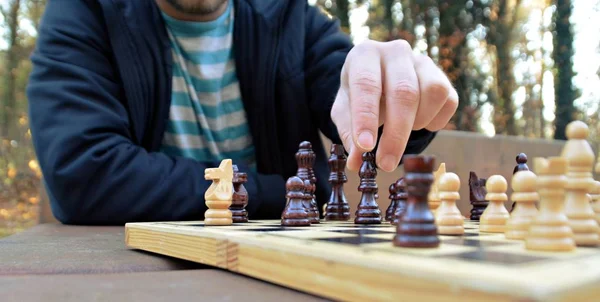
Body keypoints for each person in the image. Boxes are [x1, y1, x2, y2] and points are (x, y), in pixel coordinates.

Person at [27, 0, 458, 225]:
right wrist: (289, 195)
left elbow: (355, 103)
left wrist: (397, 94)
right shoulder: (84, 12)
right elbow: (84, 173)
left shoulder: (290, 17)